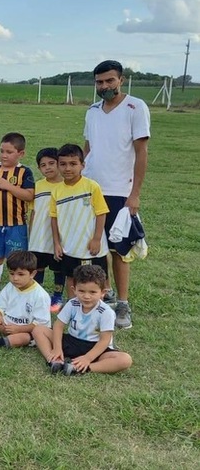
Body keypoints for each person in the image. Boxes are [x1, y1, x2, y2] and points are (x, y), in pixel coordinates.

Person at [83, 59, 150, 329]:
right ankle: (105, 292)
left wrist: (134, 194)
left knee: (120, 250)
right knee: (95, 246)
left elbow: (141, 152)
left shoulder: (136, 107)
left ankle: (123, 304)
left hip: (120, 191)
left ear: (121, 80)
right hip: (91, 189)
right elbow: (87, 148)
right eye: (99, 82)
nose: (104, 86)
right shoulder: (92, 110)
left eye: (110, 80)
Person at [32, 264, 132, 375]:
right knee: (38, 330)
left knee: (125, 359)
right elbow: (58, 326)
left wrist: (88, 358)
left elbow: (105, 340)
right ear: (74, 290)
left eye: (92, 292)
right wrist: (57, 348)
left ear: (103, 293)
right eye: (82, 291)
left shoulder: (106, 312)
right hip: (72, 341)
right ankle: (54, 360)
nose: (86, 296)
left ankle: (80, 368)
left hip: (95, 347)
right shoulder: (72, 303)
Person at [50, 144, 109, 297]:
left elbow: (101, 214)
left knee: (95, 279)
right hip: (69, 246)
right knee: (71, 277)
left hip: (91, 247)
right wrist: (56, 243)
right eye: (63, 164)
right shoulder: (56, 191)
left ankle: (97, 308)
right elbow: (54, 218)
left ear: (82, 165)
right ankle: (73, 308)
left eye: (73, 164)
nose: (67, 168)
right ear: (57, 165)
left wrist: (96, 239)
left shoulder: (92, 187)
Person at [0, 132, 35, 304]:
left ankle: (16, 288)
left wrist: (9, 186)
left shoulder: (24, 172)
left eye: (9, 152)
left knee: (16, 258)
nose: (4, 155)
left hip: (17, 224)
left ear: (21, 154)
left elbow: (29, 195)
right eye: (1, 151)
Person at [28, 147, 65, 312]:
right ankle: (39, 295)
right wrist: (31, 233)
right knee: (39, 266)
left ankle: (57, 297)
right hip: (40, 235)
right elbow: (33, 211)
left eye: (52, 163)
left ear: (59, 164)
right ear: (39, 168)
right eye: (43, 165)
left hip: (58, 236)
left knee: (58, 267)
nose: (48, 167)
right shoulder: (38, 186)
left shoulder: (65, 185)